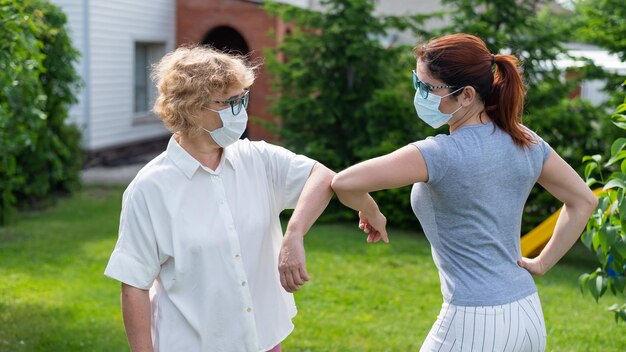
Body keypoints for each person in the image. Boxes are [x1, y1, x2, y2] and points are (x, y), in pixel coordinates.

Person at [331, 33, 597, 351]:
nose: (420, 95)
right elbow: (584, 200)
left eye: (428, 88)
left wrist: (372, 211)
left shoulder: (441, 153)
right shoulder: (524, 139)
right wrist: (542, 263)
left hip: (473, 323)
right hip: (527, 315)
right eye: (418, 83)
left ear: (467, 95)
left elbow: (344, 183)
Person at [104, 45, 334, 352]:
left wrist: (294, 234)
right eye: (229, 103)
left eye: (243, 99)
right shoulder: (150, 188)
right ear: (191, 107)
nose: (241, 111)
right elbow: (134, 284)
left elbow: (322, 177)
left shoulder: (258, 158)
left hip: (262, 340)